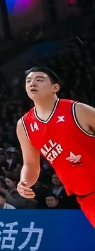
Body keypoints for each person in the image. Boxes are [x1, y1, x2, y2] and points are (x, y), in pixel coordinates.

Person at [17, 66, 95, 227]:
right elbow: (31, 165)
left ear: (55, 87)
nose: (32, 83)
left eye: (39, 79)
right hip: (85, 196)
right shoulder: (24, 125)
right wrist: (24, 181)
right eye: (28, 81)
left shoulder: (77, 110)